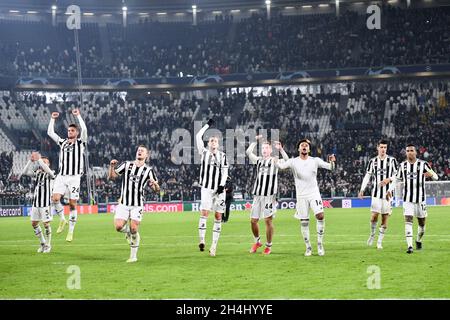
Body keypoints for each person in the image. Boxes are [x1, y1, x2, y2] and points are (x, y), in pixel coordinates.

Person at [278, 139, 336, 256]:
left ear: (309, 149)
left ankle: (320, 244)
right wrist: (275, 159)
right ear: (298, 149)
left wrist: (333, 162)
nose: (304, 147)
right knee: (304, 222)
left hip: (314, 193)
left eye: (306, 145)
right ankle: (308, 247)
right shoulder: (294, 161)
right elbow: (282, 166)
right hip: (301, 196)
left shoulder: (315, 160)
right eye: (302, 145)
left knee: (320, 215)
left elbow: (331, 168)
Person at [108, 145, 159, 262]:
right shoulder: (126, 165)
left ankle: (133, 256)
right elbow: (112, 177)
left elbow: (156, 190)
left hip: (137, 204)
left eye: (142, 151)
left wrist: (155, 185)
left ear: (147, 155)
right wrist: (111, 167)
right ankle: (127, 233)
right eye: (138, 150)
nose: (139, 152)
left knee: (134, 229)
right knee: (118, 227)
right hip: (124, 203)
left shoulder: (148, 171)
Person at [388, 144, 438, 254]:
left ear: (415, 152)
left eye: (411, 150)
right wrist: (389, 190)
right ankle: (410, 246)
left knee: (422, 224)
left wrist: (431, 175)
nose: (409, 152)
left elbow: (436, 176)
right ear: (406, 153)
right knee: (408, 220)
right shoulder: (402, 166)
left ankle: (418, 240)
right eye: (407, 151)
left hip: (420, 199)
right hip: (407, 199)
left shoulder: (423, 164)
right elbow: (396, 180)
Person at [47, 109, 87, 242]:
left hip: (75, 177)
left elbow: (85, 130)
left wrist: (78, 116)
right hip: (62, 176)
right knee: (55, 198)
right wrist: (52, 119)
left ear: (77, 133)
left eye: (72, 131)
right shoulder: (62, 142)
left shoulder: (81, 143)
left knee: (72, 204)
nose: (70, 132)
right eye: (69, 131)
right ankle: (63, 220)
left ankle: (70, 232)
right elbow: (50, 133)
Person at [246, 135, 289, 255]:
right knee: (253, 221)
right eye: (263, 148)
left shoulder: (275, 160)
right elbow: (248, 152)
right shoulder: (258, 160)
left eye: (267, 148)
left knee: (268, 221)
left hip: (269, 196)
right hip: (257, 195)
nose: (264, 150)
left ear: (271, 150)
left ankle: (268, 246)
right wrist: (254, 141)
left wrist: (281, 150)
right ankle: (257, 241)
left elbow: (287, 161)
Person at [196, 119, 229, 257]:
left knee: (218, 216)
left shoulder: (223, 156)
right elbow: (198, 136)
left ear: (218, 144)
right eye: (211, 141)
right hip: (206, 189)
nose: (213, 142)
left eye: (215, 141)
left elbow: (225, 171)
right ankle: (202, 240)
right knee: (204, 213)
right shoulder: (203, 153)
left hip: (219, 191)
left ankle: (214, 246)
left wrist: (222, 185)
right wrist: (207, 125)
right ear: (208, 144)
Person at [358, 139, 398, 249]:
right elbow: (367, 176)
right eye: (381, 147)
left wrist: (388, 179)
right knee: (374, 216)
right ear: (377, 148)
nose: (383, 149)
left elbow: (398, 176)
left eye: (385, 147)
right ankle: (372, 234)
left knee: (385, 218)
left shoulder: (392, 160)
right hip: (376, 194)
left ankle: (379, 241)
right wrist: (362, 189)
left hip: (388, 194)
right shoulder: (373, 161)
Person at [20, 151, 55, 253]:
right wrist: (30, 161)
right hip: (36, 203)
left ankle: (48, 245)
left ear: (48, 164)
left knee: (46, 224)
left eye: (45, 162)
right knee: (34, 223)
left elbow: (48, 171)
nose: (42, 163)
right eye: (42, 162)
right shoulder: (37, 173)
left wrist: (39, 159)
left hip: (45, 204)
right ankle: (43, 244)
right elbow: (24, 172)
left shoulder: (50, 173)